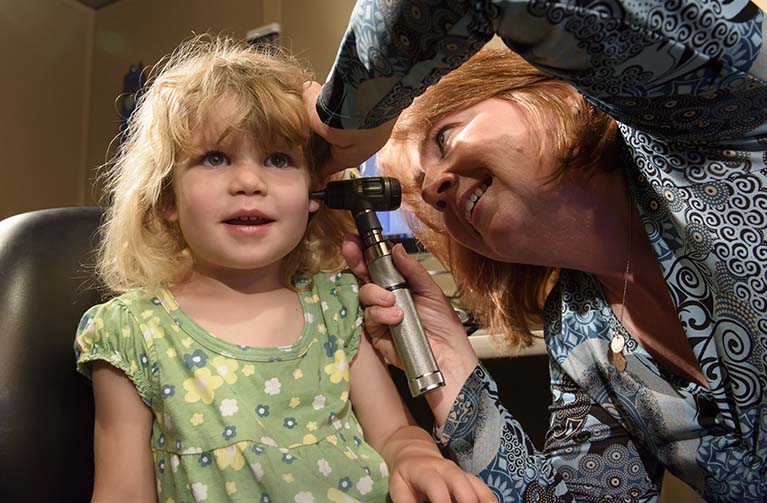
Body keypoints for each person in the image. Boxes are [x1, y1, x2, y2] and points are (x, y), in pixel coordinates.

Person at [304, 2, 767, 502]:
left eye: (444, 137)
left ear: (553, 92)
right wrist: (447, 363)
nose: (437, 185)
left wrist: (348, 116)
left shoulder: (712, 130)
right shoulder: (581, 334)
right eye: (424, 195)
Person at [73, 35, 497, 503]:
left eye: (278, 159)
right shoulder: (134, 333)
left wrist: (416, 458)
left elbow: (395, 433)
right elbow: (121, 491)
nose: (250, 182)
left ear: (314, 193)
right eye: (215, 158)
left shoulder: (335, 308)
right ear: (167, 196)